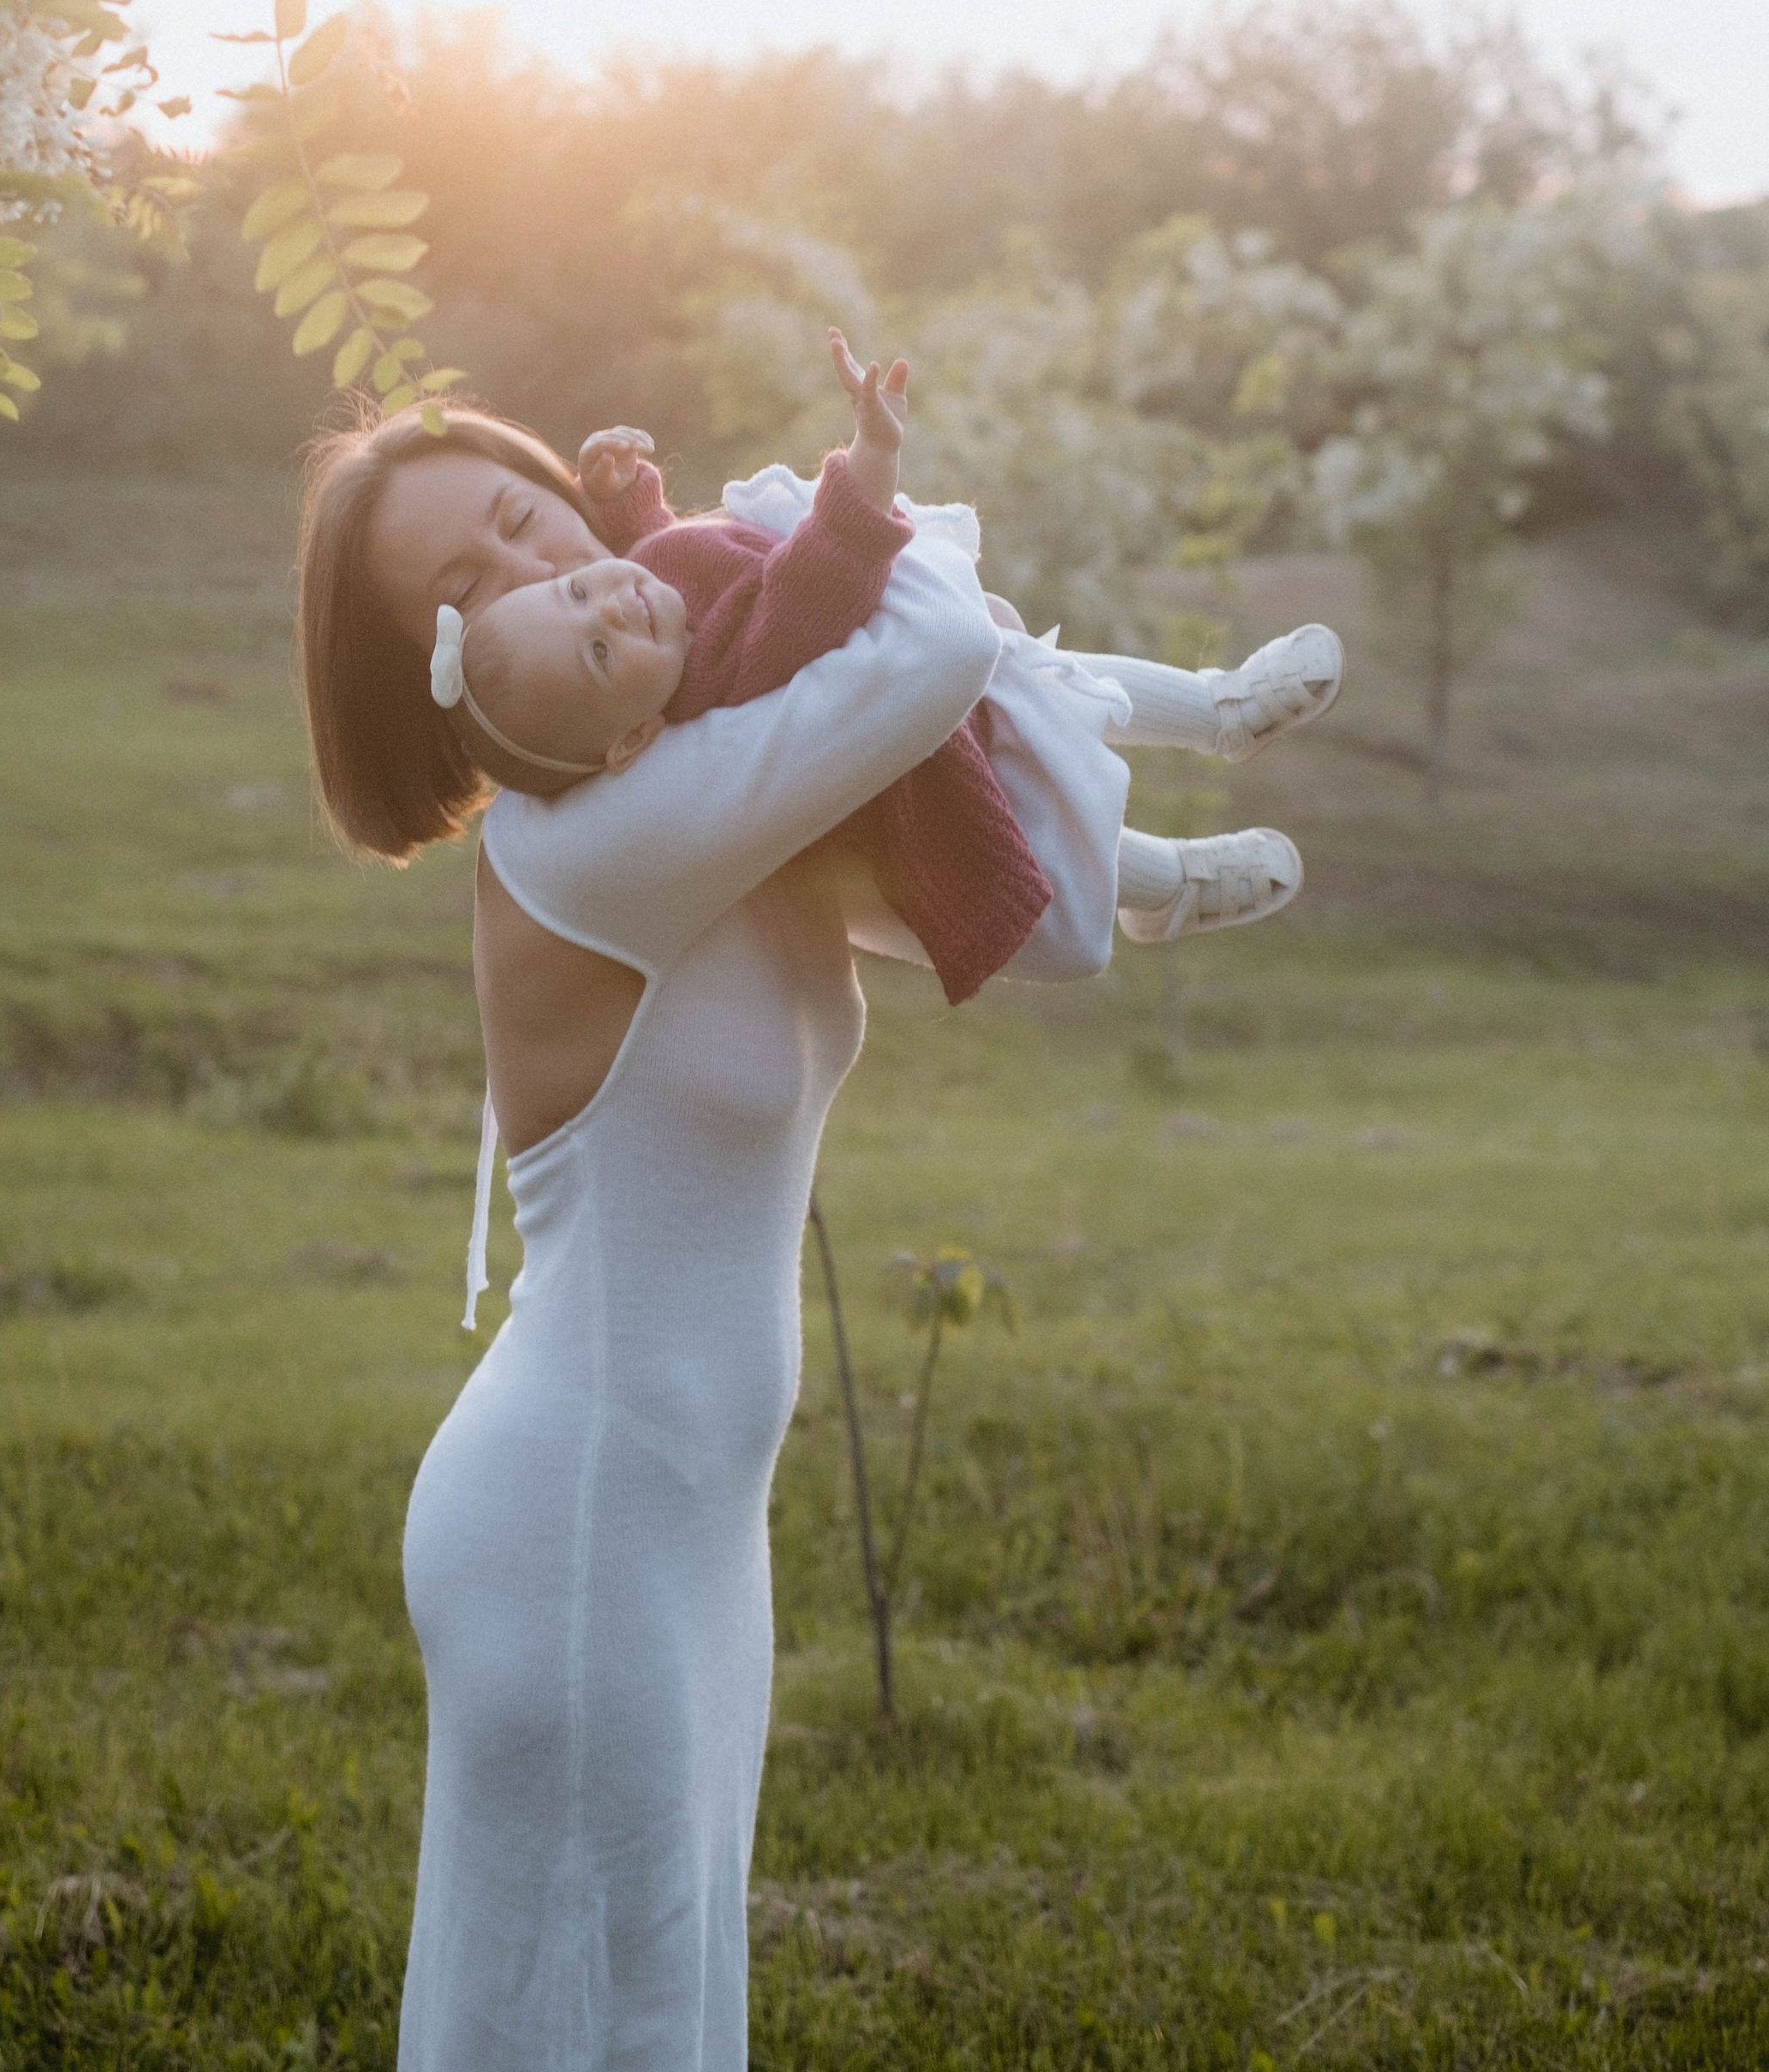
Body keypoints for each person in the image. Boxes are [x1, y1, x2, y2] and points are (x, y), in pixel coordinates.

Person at [295, 394, 1340, 2072]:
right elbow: (923, 665)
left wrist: (1146, 851)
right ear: (442, 647)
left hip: (683, 1514)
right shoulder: (601, 831)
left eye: (524, 508)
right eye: (469, 565)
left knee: (656, 1980)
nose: (537, 550)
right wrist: (839, 519)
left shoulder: (692, 787)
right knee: (578, 2003)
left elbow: (955, 868)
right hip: (581, 1509)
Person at [438, 326, 1339, 995]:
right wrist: (871, 453)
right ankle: (1169, 884)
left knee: (1064, 684)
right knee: (1053, 807)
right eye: (600, 650)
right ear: (633, 737)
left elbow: (664, 548)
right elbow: (820, 573)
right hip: (937, 755)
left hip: (951, 691)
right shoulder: (727, 672)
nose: (612, 602)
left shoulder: (645, 595)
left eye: (575, 591)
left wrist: (628, 492)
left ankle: (1220, 708)